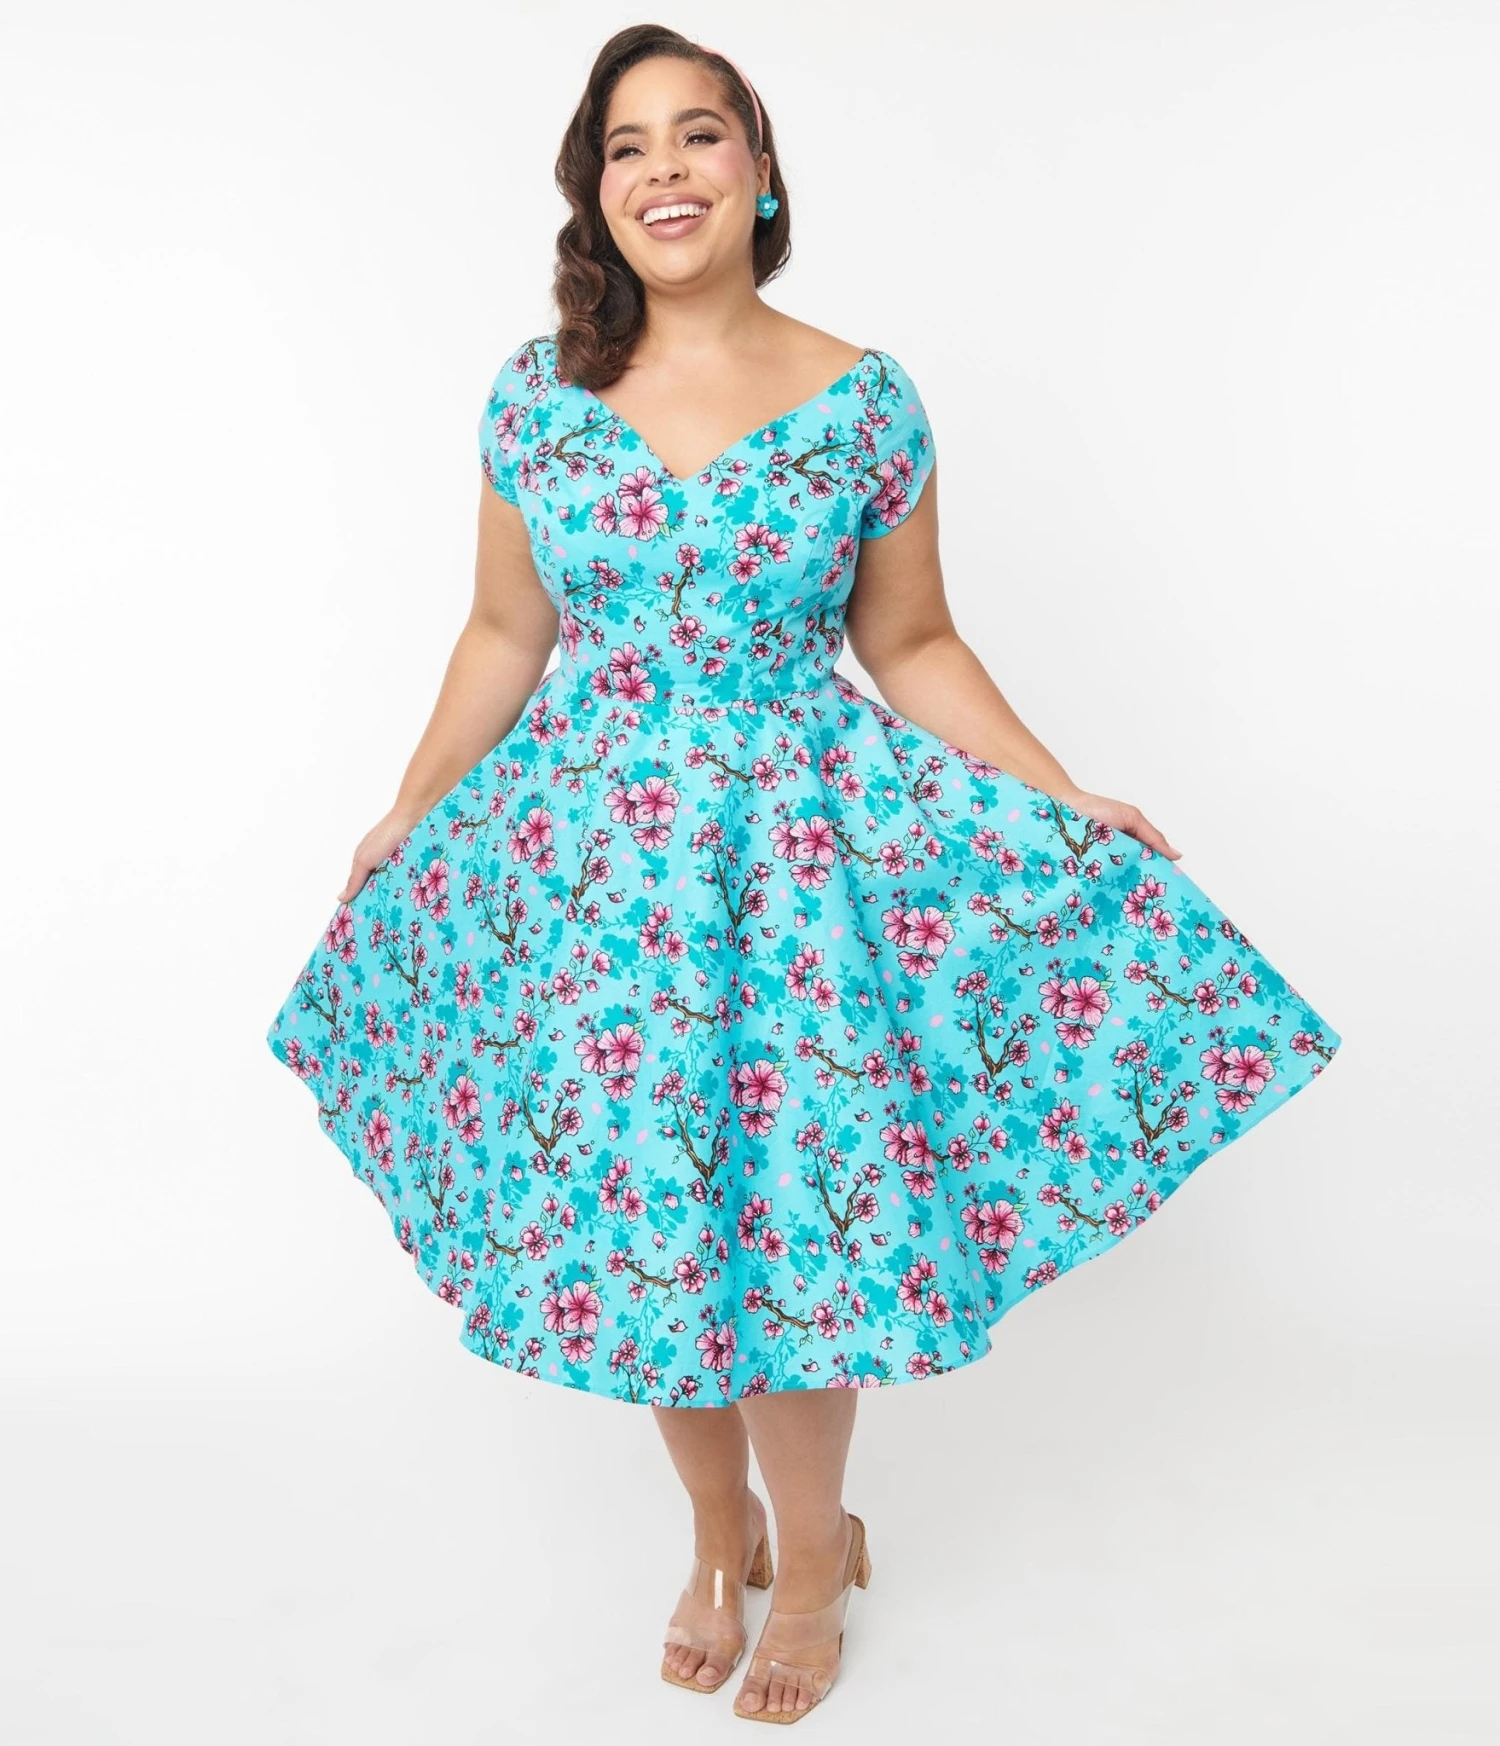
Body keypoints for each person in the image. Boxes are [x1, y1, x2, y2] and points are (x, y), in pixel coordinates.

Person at [265, 23, 1343, 1723]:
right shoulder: (537, 396)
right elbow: (502, 630)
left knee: (796, 1229)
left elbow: (911, 642)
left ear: (759, 171)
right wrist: (411, 804)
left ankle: (818, 1553)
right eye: (628, 147)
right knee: (648, 1220)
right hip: (602, 882)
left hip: (796, 878)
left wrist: (1059, 794)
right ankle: (722, 1537)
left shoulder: (862, 398)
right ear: (594, 191)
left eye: (700, 135)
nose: (666, 171)